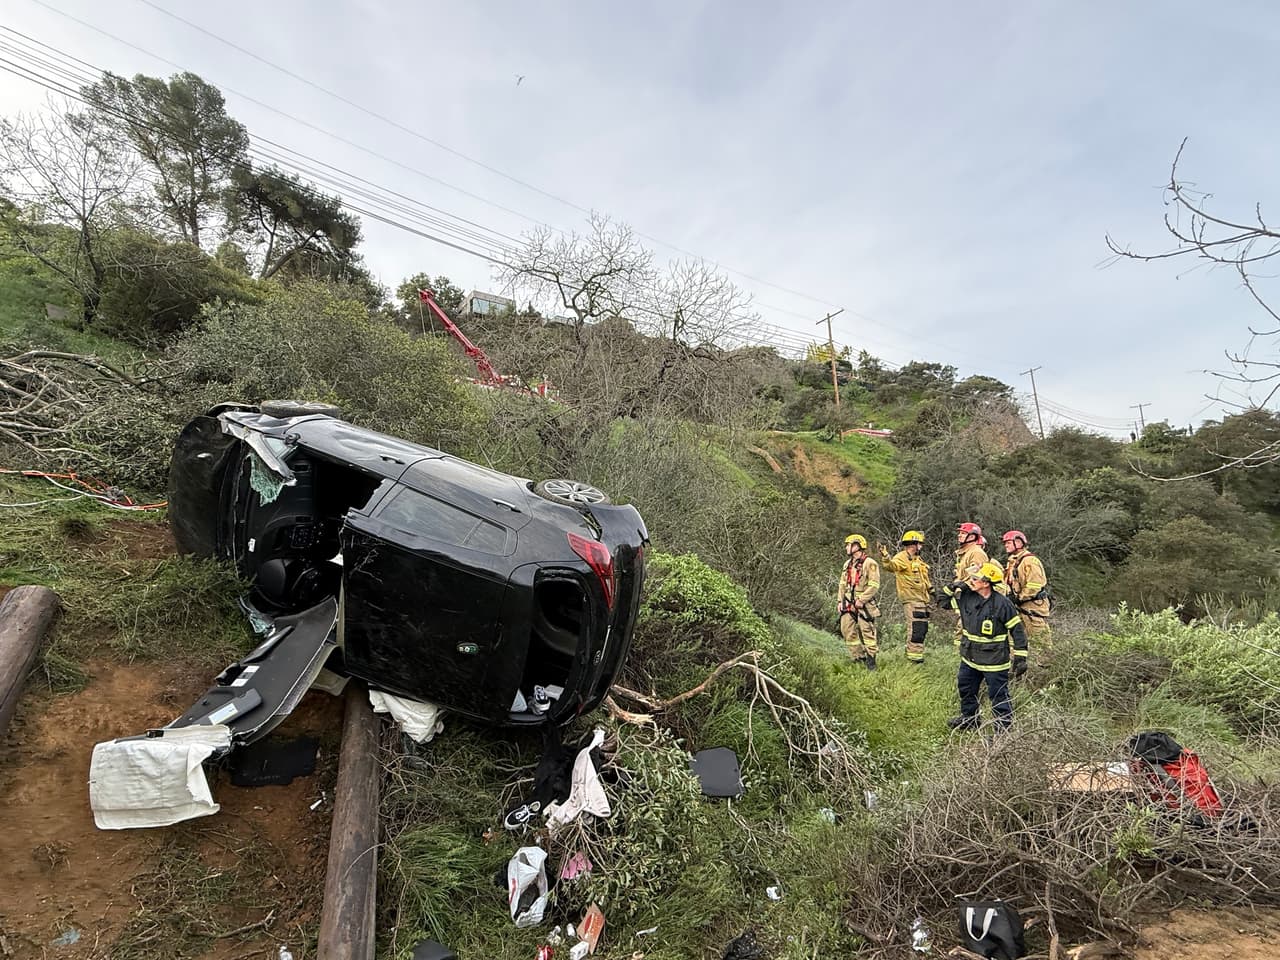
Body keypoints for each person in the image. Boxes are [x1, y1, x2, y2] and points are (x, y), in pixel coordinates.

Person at [947, 562, 1028, 731]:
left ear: (986, 583)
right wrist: (951, 587)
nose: (972, 580)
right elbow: (942, 601)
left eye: (976, 578)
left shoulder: (1003, 604)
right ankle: (970, 720)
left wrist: (1021, 657)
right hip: (970, 657)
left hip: (994, 661)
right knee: (966, 689)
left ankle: (1003, 729)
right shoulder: (967, 597)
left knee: (998, 696)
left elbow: (1017, 631)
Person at [879, 530, 932, 664]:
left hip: (922, 599)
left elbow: (924, 579)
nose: (921, 546)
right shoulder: (901, 557)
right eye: (920, 544)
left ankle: (916, 654)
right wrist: (885, 556)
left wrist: (933, 592)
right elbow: (891, 566)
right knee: (916, 628)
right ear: (913, 544)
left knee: (922, 628)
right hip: (912, 599)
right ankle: (914, 660)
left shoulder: (917, 560)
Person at [838, 534, 881, 671]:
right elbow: (842, 584)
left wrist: (862, 600)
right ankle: (858, 657)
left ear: (856, 546)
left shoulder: (870, 563)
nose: (846, 548)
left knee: (867, 632)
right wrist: (840, 601)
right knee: (846, 630)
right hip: (849, 603)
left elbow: (874, 585)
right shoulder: (847, 564)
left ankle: (871, 660)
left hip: (865, 604)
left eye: (848, 545)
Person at [1001, 530, 1052, 645]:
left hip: (1033, 609)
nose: (1006, 545)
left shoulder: (1030, 561)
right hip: (1018, 608)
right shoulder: (1012, 561)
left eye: (1008, 542)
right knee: (1016, 641)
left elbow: (1034, 586)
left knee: (1041, 642)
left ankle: (1045, 663)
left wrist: (1019, 598)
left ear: (1018, 543)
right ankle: (1017, 662)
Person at [945, 522, 989, 646]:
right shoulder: (966, 553)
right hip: (965, 597)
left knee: (965, 628)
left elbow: (978, 577)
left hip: (973, 597)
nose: (959, 536)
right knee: (962, 627)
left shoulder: (976, 553)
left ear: (972, 536)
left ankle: (962, 655)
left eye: (963, 533)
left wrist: (963, 586)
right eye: (959, 533)